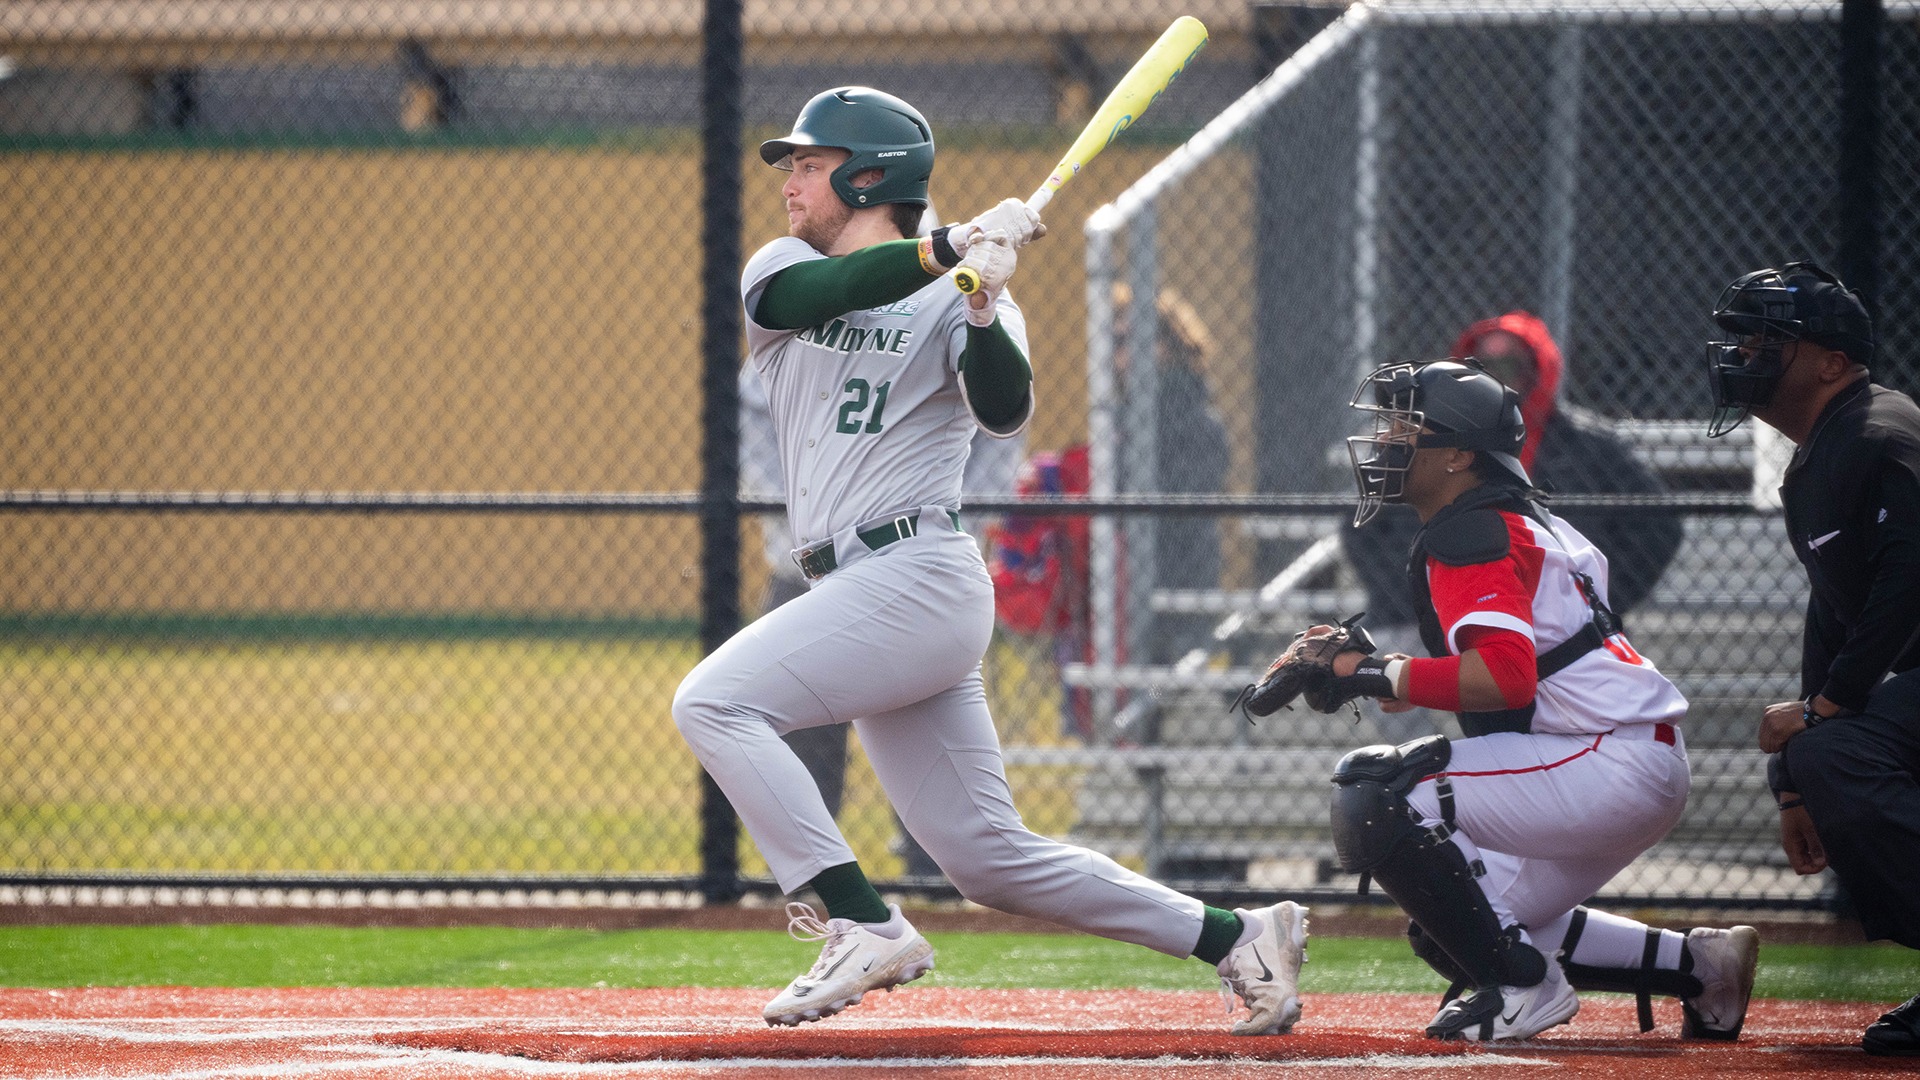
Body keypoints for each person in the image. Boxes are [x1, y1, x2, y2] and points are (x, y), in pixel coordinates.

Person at [672, 85, 1305, 1035]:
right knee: (985, 859)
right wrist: (946, 249)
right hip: (851, 583)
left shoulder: (972, 290)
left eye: (810, 164)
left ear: (868, 173)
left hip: (917, 572)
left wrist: (980, 307)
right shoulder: (787, 265)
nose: (792, 182)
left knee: (713, 702)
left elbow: (1004, 410)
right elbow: (821, 293)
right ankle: (1236, 934)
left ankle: (855, 918)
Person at [1276, 359, 1757, 1041]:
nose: (1386, 439)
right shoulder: (1516, 519)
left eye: (1406, 425)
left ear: (1460, 454)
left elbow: (1506, 678)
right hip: (1621, 753)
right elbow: (1510, 677)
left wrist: (1379, 672)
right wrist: (1377, 674)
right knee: (1455, 921)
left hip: (1603, 757)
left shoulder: (1471, 532)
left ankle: (1523, 988)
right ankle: (1703, 966)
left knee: (1377, 788)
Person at [1704, 260, 1920, 1057]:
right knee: (1830, 754)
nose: (1745, 354)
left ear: (1832, 362)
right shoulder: (1827, 448)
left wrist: (1824, 714)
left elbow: (1912, 572)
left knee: (1846, 748)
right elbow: (1836, 613)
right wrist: (1794, 779)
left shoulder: (1876, 429)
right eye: (1745, 339)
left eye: (1769, 340)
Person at [740, 346, 1025, 876]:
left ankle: (933, 869)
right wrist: (806, 534)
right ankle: (812, 877)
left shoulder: (949, 311)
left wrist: (955, 528)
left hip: (915, 569)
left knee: (925, 730)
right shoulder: (801, 310)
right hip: (804, 568)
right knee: (795, 726)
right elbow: (754, 435)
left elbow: (999, 436)